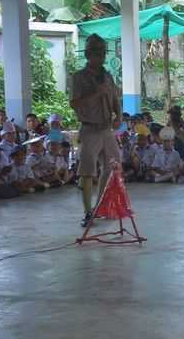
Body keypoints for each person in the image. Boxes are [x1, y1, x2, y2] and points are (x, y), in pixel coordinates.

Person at [70, 34, 122, 227]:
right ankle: (87, 211)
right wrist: (96, 94)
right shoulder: (78, 77)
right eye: (96, 53)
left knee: (113, 165)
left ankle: (100, 205)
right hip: (89, 128)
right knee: (87, 171)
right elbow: (74, 103)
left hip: (107, 128)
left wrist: (119, 116)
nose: (100, 57)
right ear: (88, 55)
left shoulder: (107, 76)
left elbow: (115, 98)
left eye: (102, 53)